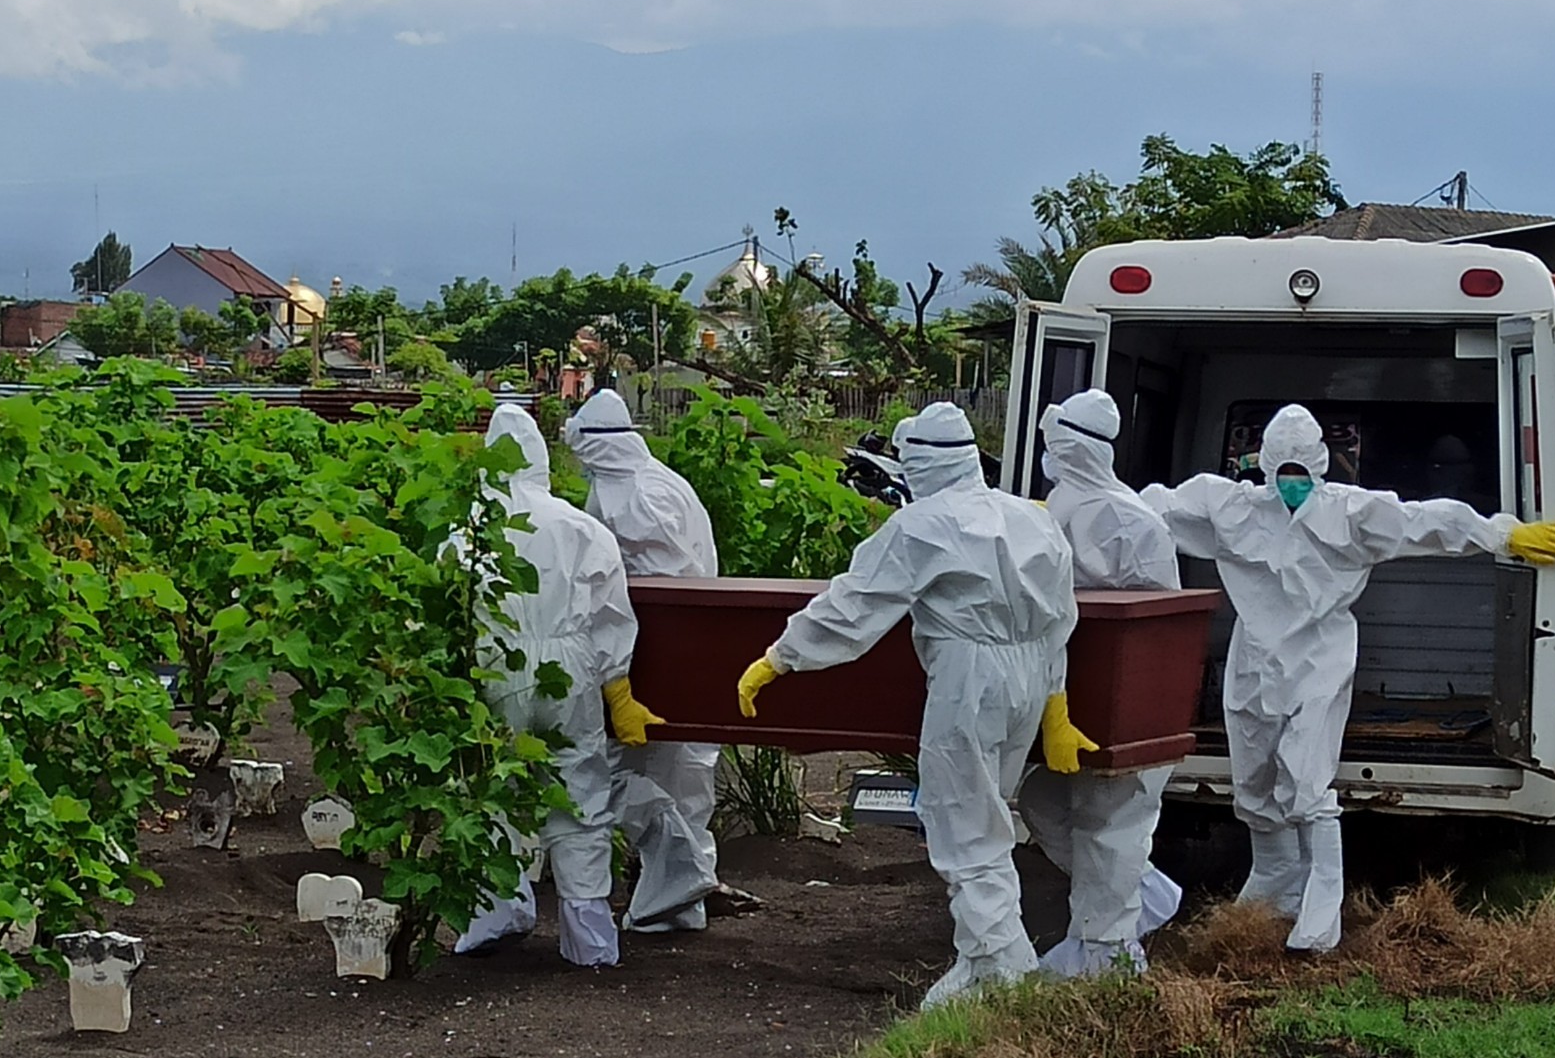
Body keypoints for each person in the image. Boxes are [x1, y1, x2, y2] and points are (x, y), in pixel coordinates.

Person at [1141, 404, 1555, 953]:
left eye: (1302, 474)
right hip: (1253, 661)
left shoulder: (1350, 515)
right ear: (1267, 467)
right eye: (1285, 474)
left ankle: (1322, 904)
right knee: (1252, 776)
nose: (1293, 485)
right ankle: (1275, 880)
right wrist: (1068, 509)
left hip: (1319, 660)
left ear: (1321, 467)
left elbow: (1427, 521)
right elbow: (1152, 507)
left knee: (1305, 777)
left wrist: (1503, 535)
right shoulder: (1233, 508)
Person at [735, 402, 1084, 1008]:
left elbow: (857, 602)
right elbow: (1061, 618)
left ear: (918, 464)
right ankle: (980, 964)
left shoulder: (922, 524)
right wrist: (1055, 701)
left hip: (970, 676)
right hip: (1029, 677)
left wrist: (782, 656)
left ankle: (1007, 972)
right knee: (989, 817)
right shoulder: (1031, 517)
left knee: (963, 824)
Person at [453, 403, 655, 968]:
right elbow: (612, 618)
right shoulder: (580, 527)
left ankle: (495, 912)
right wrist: (617, 689)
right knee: (581, 791)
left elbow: (447, 612)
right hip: (569, 666)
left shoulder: (466, 530)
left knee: (491, 791)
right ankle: (589, 937)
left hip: (493, 668)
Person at [1015, 391, 1185, 978]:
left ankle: (1109, 955)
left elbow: (1157, 624)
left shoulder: (1132, 520)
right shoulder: (1046, 514)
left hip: (1127, 697)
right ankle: (1137, 907)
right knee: (1045, 800)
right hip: (1069, 693)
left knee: (1111, 820)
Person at [566, 388, 727, 933]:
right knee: (683, 779)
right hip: (692, 654)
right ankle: (679, 900)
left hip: (651, 659)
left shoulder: (631, 494)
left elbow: (651, 589)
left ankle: (679, 882)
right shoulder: (661, 483)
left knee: (612, 770)